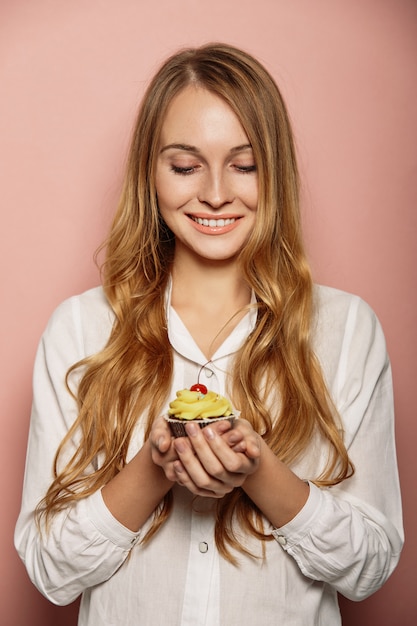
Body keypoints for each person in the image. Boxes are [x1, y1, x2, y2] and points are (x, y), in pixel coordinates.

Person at [15, 43, 403, 625]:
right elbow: (50, 572)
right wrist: (152, 468)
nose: (217, 192)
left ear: (276, 172)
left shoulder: (347, 331)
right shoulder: (80, 329)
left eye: (244, 165)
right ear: (151, 171)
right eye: (185, 165)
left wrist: (262, 473)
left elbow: (370, 567)